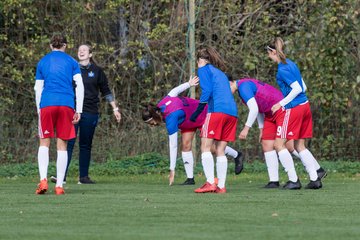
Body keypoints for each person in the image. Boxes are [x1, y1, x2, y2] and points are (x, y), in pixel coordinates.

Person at [142, 76, 243, 186]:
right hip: (187, 120)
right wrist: (188, 84)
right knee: (185, 145)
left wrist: (172, 169)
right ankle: (190, 179)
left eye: (152, 123)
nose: (152, 126)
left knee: (212, 148)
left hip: (203, 115)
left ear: (155, 116)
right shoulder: (161, 105)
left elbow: (173, 145)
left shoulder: (171, 118)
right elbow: (174, 91)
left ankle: (237, 155)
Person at [229, 77, 327, 188]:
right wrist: (261, 129)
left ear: (230, 82)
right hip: (269, 114)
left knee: (289, 146)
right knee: (266, 144)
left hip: (281, 109)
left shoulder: (243, 86)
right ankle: (274, 181)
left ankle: (313, 172)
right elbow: (259, 108)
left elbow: (254, 109)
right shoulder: (243, 86)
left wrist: (246, 128)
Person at [50, 44, 121, 184]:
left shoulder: (97, 71)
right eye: (79, 50)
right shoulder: (70, 69)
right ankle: (61, 177)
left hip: (90, 112)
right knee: (68, 143)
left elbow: (106, 91)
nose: (81, 52)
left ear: (90, 54)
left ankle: (83, 177)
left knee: (85, 145)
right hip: (72, 111)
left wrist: (115, 109)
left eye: (84, 50)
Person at [266, 37, 324, 189]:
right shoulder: (291, 63)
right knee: (299, 144)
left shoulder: (282, 69)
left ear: (273, 52)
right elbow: (303, 86)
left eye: (268, 53)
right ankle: (315, 179)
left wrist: (281, 103)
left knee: (279, 144)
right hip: (305, 106)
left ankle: (293, 180)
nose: (268, 56)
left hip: (295, 108)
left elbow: (297, 88)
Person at [34, 33, 84, 195]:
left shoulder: (43, 61)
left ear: (51, 46)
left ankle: (43, 180)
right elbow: (80, 85)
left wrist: (38, 108)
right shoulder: (72, 62)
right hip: (66, 104)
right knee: (62, 145)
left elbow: (38, 88)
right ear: (65, 45)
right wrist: (79, 109)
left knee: (44, 142)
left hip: (47, 103)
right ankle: (59, 186)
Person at [190, 47, 238, 194]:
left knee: (205, 147)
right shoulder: (221, 73)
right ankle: (221, 186)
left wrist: (198, 111)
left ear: (199, 61)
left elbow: (207, 91)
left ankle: (210, 182)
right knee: (220, 150)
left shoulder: (203, 70)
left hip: (217, 111)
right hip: (232, 112)